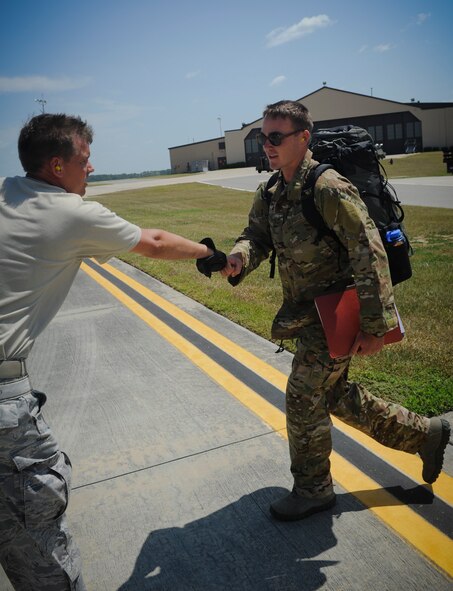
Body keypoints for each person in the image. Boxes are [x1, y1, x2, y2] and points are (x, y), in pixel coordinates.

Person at [0, 113, 226, 590]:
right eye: (85, 160)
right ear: (58, 166)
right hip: (4, 400)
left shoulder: (5, 192)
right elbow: (157, 243)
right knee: (39, 545)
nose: (92, 168)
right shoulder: (70, 211)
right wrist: (213, 255)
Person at [218, 100, 451, 521]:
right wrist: (238, 258)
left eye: (275, 137)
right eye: (262, 138)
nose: (266, 145)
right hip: (308, 316)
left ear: (303, 138)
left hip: (338, 316)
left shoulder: (328, 187)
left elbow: (369, 251)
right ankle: (425, 434)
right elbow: (256, 236)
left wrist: (376, 326)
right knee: (334, 396)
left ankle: (313, 490)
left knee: (302, 394)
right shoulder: (272, 190)